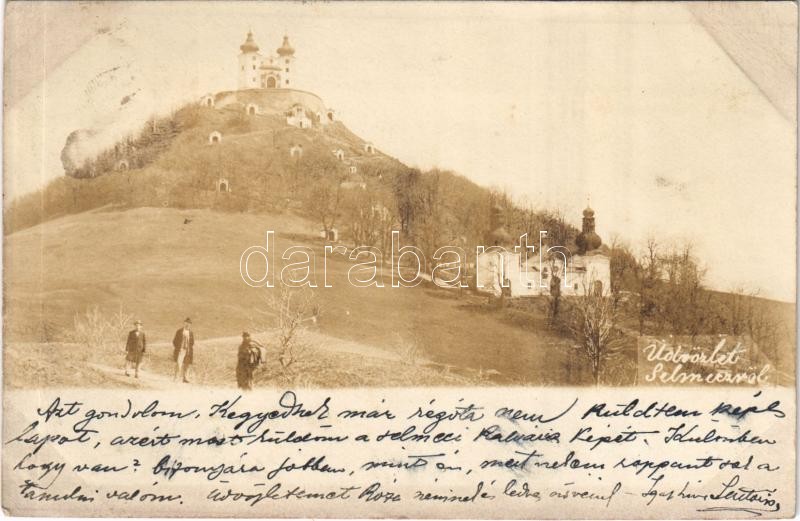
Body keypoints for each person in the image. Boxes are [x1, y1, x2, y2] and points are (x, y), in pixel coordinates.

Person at [172, 318, 195, 383]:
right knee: (179, 364)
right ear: (184, 323)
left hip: (187, 351)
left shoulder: (191, 333)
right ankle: (176, 378)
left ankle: (185, 378)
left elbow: (192, 342)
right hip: (181, 351)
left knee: (186, 365)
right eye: (186, 323)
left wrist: (188, 348)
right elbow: (174, 341)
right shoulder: (179, 331)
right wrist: (178, 348)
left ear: (190, 325)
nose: (187, 324)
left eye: (189, 323)